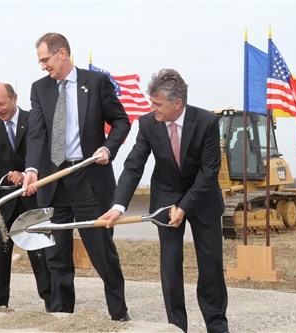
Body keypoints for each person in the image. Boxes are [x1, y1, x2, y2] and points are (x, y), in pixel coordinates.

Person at [100, 69, 229, 333]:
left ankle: (216, 325)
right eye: (151, 102)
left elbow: (209, 172)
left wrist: (184, 207)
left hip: (202, 198)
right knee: (170, 266)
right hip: (165, 197)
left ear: (177, 103)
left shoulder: (206, 122)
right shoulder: (148, 124)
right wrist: (117, 206)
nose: (152, 108)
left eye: (157, 103)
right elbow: (134, 165)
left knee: (211, 265)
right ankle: (176, 327)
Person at [22, 32, 131, 321]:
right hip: (54, 182)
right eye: (40, 61)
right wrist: (32, 169)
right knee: (56, 255)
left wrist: (108, 148)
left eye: (46, 60)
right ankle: (61, 315)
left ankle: (119, 314)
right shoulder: (39, 89)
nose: (44, 66)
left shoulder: (95, 84)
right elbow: (36, 134)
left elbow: (121, 121)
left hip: (88, 177)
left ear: (62, 54)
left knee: (101, 252)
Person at [0, 83, 51, 310]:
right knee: (1, 254)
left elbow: (44, 154)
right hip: (3, 201)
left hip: (32, 197)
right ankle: (0, 302)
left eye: (1, 103)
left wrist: (25, 174)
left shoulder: (34, 118)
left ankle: (50, 300)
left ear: (14, 97)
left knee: (39, 250)